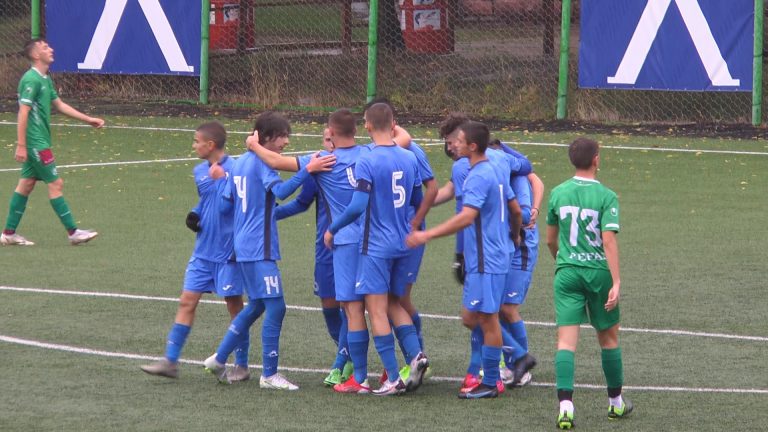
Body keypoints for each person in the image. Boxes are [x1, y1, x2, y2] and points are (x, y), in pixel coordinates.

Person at [203, 112, 333, 390]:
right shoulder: (262, 163)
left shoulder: (238, 163)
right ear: (266, 137)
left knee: (258, 305)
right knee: (277, 307)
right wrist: (307, 170)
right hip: (259, 248)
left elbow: (226, 206)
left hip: (242, 246)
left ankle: (219, 358)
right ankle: (269, 375)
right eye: (282, 136)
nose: (286, 142)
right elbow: (282, 192)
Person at [408, 121, 522, 399]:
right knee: (472, 317)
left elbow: (466, 217)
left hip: (486, 260)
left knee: (486, 318)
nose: (453, 145)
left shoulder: (478, 176)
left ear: (472, 146)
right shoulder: (494, 169)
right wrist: (515, 235)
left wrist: (427, 234)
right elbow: (516, 209)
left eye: (458, 141)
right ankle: (514, 359)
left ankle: (492, 380)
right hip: (489, 257)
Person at [325, 103, 428, 396]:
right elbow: (417, 200)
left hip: (376, 246)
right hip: (402, 242)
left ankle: (392, 377)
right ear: (393, 123)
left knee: (376, 309)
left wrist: (333, 228)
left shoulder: (367, 159)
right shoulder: (409, 157)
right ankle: (416, 355)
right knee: (395, 302)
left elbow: (358, 206)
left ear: (368, 125)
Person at [140, 122, 250, 381]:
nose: (193, 146)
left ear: (210, 145)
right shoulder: (200, 171)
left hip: (228, 254)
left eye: (196, 141)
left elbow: (241, 205)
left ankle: (242, 365)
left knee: (235, 307)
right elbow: (207, 199)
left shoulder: (236, 170)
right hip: (202, 252)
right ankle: (170, 361)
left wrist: (223, 180)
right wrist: (196, 212)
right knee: (187, 300)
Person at [546, 137, 632, 429]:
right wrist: (616, 281)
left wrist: (563, 261)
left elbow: (550, 240)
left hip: (567, 272)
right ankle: (616, 404)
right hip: (598, 274)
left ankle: (565, 408)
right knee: (608, 339)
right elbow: (608, 240)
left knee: (565, 342)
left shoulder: (558, 193)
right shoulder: (607, 196)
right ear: (596, 159)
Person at [269, 126, 354, 387]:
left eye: (333, 139)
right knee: (329, 305)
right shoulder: (316, 168)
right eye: (326, 140)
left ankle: (341, 362)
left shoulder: (356, 165)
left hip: (350, 244)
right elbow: (301, 203)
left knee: (350, 305)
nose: (330, 144)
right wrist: (270, 215)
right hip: (324, 247)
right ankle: (349, 354)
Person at [1, 39, 102, 246]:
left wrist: (88, 119)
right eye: (45, 47)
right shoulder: (31, 80)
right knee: (56, 183)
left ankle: (9, 233)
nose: (51, 49)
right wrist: (21, 145)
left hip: (38, 142)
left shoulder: (44, 78)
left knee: (26, 185)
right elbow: (23, 112)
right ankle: (73, 232)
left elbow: (59, 105)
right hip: (36, 144)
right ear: (35, 55)